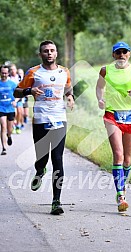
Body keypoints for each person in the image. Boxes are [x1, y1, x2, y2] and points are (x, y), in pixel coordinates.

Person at [14, 40, 74, 215]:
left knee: (57, 158)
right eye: (46, 51)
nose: (49, 53)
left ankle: (56, 201)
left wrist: (70, 97)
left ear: (56, 53)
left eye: (52, 50)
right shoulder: (33, 72)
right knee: (42, 157)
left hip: (59, 119)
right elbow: (16, 91)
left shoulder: (64, 72)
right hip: (40, 119)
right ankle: (40, 169)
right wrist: (29, 91)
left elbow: (68, 89)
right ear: (40, 54)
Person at [96, 41, 131, 212]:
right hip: (112, 115)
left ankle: (122, 185)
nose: (121, 55)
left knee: (128, 159)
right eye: (118, 52)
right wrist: (100, 98)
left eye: (124, 52)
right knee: (118, 155)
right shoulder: (106, 70)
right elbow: (99, 87)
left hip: (130, 115)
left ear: (129, 54)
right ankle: (121, 196)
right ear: (113, 55)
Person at [0, 65, 17, 155]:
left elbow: (19, 94)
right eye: (2, 73)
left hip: (10, 108)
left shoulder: (12, 84)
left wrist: (15, 101)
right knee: (3, 126)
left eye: (6, 73)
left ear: (8, 73)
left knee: (9, 129)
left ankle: (9, 136)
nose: (4, 75)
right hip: (1, 108)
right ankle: (4, 147)